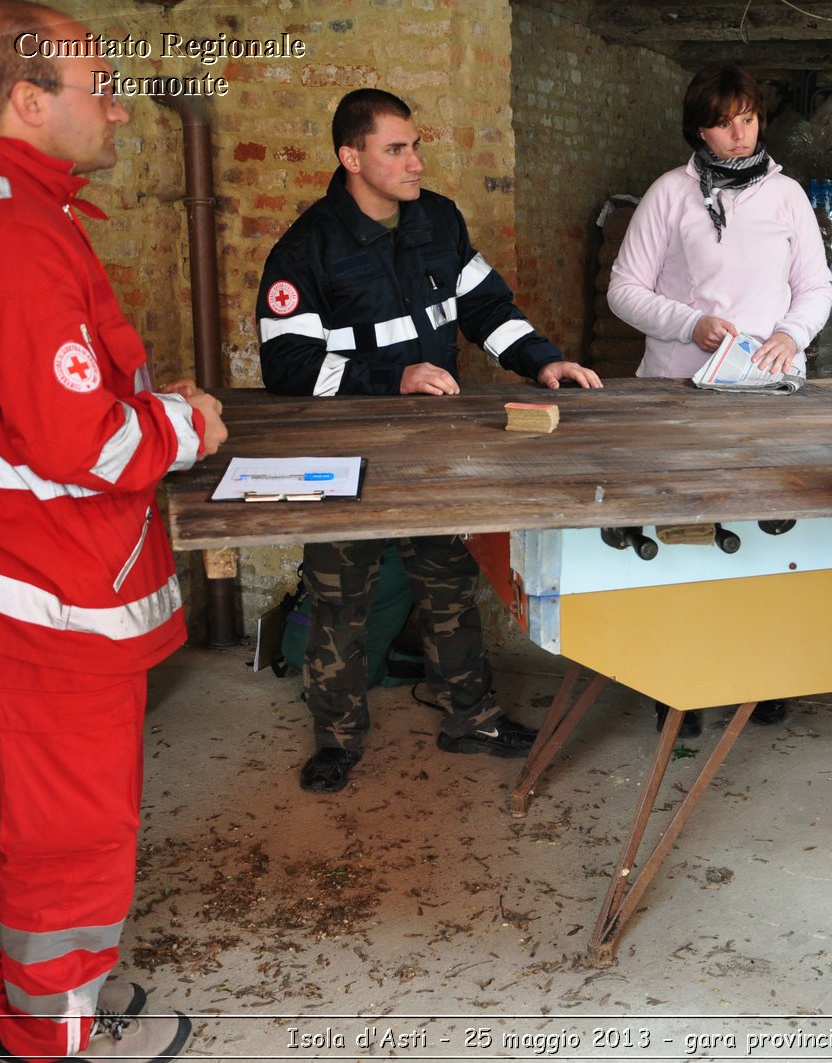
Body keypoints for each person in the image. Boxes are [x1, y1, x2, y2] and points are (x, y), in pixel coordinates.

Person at [0, 3, 227, 1060]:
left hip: (6, 562)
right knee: (77, 838)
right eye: (100, 88)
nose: (119, 110)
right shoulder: (8, 234)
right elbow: (80, 441)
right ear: (30, 101)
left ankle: (3, 998)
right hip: (51, 580)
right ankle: (48, 1036)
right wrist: (187, 420)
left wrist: (139, 403)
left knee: (45, 821)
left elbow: (29, 401)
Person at [257, 88, 601, 793]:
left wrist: (543, 359)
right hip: (346, 453)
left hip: (434, 448)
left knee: (448, 581)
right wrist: (394, 376)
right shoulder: (305, 248)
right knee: (339, 596)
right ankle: (337, 739)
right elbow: (286, 366)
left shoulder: (439, 220)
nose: (414, 161)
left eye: (415, 146)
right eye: (395, 149)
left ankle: (468, 716)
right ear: (350, 157)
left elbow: (487, 309)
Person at [607, 63, 832, 736]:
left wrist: (791, 336)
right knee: (684, 537)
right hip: (679, 392)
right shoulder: (670, 195)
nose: (739, 134)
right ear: (698, 130)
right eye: (723, 122)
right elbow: (624, 288)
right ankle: (675, 683)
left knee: (766, 535)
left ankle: (757, 675)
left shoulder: (787, 195)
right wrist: (688, 322)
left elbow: (816, 287)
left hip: (763, 395)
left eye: (748, 119)